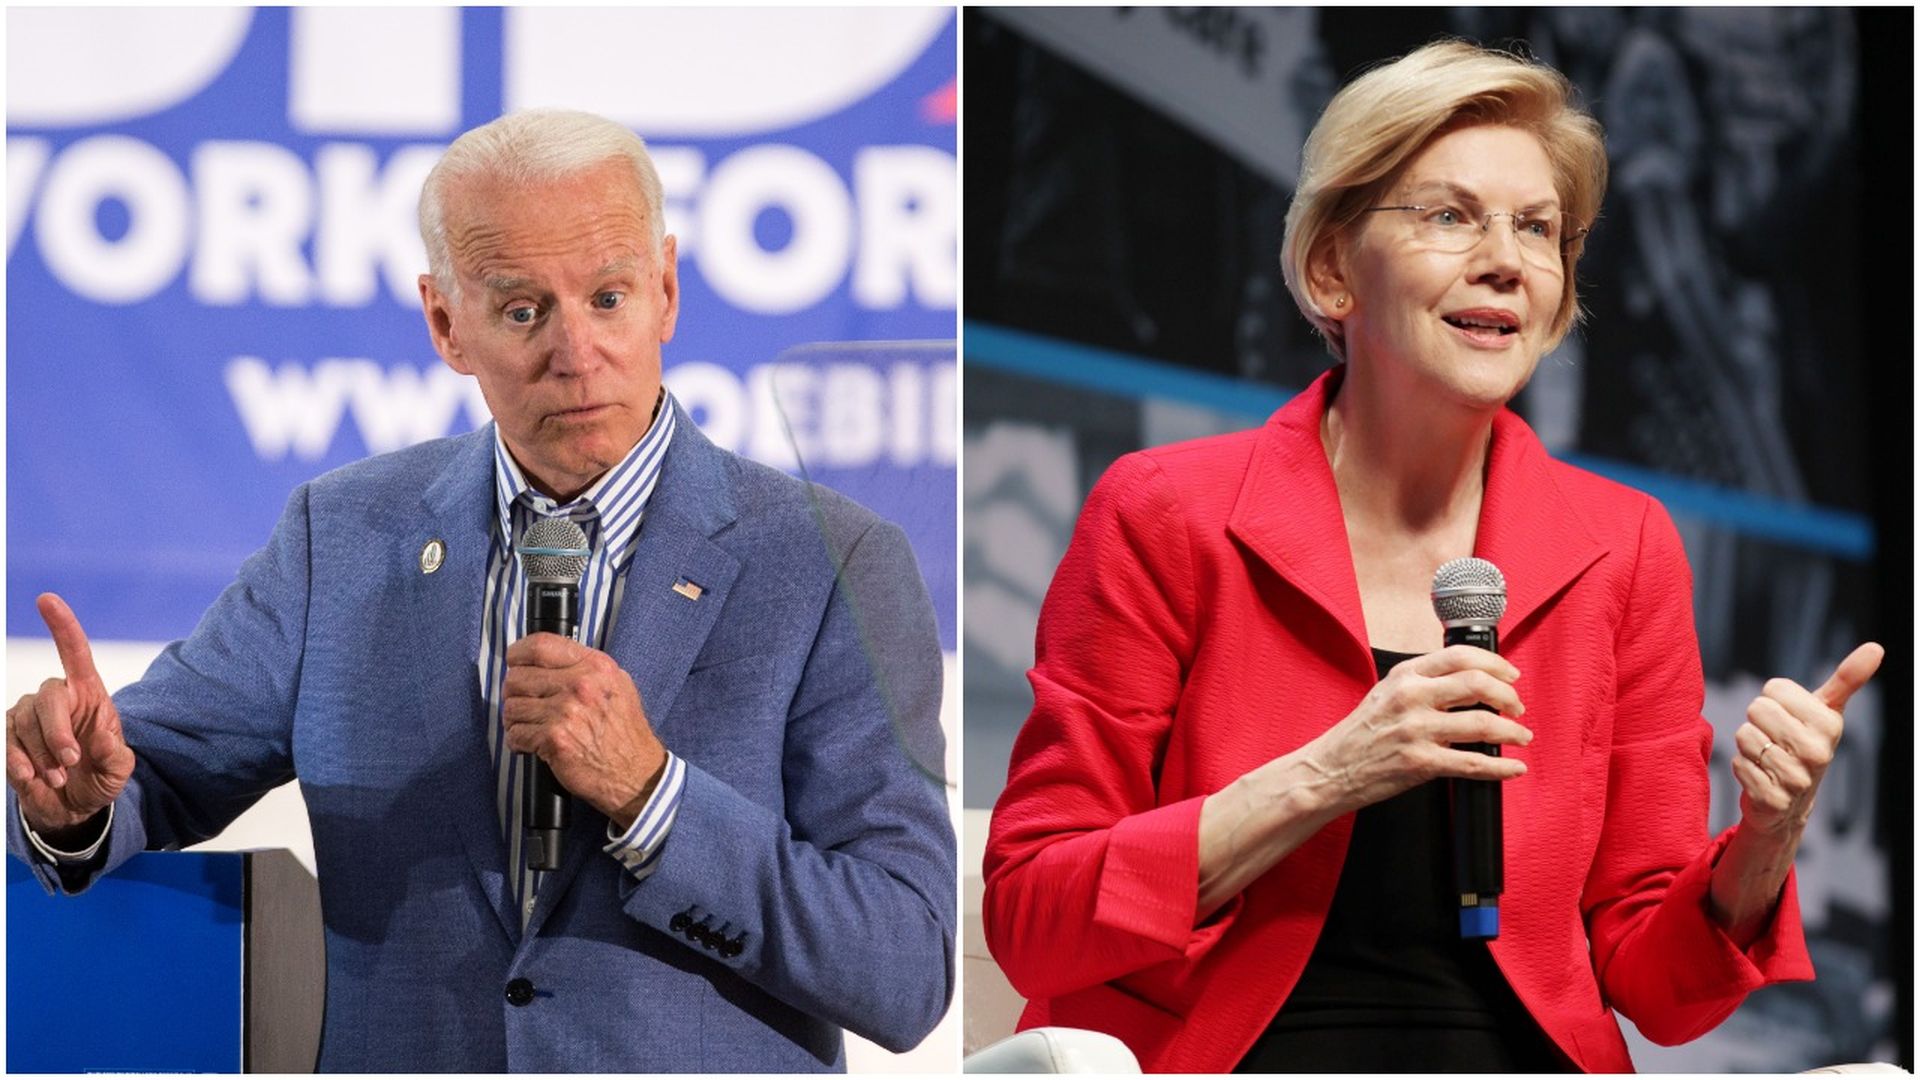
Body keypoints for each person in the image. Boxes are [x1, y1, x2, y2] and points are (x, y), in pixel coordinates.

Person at [981, 41, 1880, 1073]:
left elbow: (1654, 986)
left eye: (1538, 229)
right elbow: (1031, 913)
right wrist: (1327, 775)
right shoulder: (1167, 513)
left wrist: (1763, 843)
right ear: (1332, 268)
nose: (1506, 256)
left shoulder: (1623, 548)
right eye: (1451, 215)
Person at [7, 108, 955, 1073]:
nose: (576, 353)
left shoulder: (832, 561)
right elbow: (140, 778)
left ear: (666, 291)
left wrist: (652, 796)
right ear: (445, 323)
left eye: (610, 297)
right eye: (522, 310)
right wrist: (67, 807)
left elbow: (906, 966)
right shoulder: (339, 537)